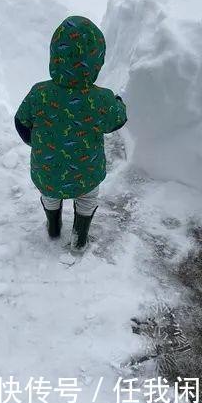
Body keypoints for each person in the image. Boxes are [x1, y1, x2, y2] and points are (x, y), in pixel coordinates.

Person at [14, 15, 127, 253]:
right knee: (87, 199)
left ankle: (53, 226)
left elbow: (21, 121)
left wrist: (36, 143)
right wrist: (118, 101)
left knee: (50, 196)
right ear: (97, 60)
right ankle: (80, 237)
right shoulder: (102, 99)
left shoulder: (39, 93)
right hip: (86, 172)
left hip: (47, 170)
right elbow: (117, 120)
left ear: (55, 55)